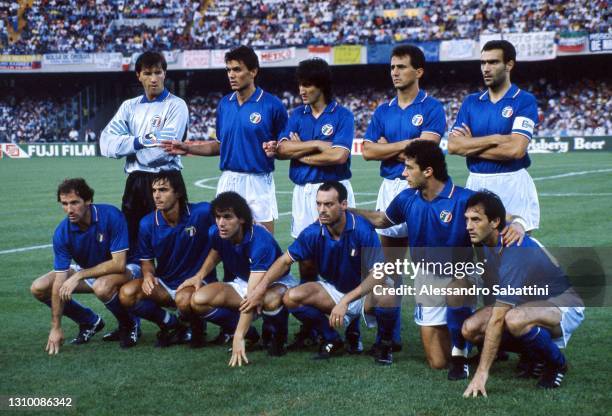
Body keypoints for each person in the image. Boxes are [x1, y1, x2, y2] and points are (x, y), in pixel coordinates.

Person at [351, 140, 525, 378]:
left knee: (457, 290)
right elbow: (383, 220)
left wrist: (519, 224)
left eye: (409, 167)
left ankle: (461, 356)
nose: (403, 173)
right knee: (436, 361)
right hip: (425, 279)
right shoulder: (407, 198)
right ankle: (477, 342)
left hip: (461, 274)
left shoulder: (463, 198)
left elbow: (504, 217)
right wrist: (348, 211)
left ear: (428, 171)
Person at [242, 181, 401, 365]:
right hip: (334, 290)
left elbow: (379, 273)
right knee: (291, 297)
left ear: (343, 204)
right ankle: (331, 338)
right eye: (319, 204)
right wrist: (261, 288)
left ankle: (383, 344)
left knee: (388, 292)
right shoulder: (312, 232)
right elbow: (284, 260)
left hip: (363, 291)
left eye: (329, 204)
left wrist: (346, 301)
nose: (322, 209)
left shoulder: (362, 229)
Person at [361, 44, 446, 353]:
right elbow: (368, 151)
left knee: (433, 264)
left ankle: (442, 328)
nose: (395, 72)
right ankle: (389, 337)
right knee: (389, 268)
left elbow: (426, 152)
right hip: (391, 187)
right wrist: (408, 143)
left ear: (418, 71)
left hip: (422, 192)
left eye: (401, 67)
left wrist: (390, 146)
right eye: (392, 67)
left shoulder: (432, 107)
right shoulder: (383, 110)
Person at [461, 191, 584, 396]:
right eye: (467, 219)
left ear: (494, 222)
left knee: (514, 319)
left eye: (476, 220)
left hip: (562, 304)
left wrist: (482, 373)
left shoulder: (515, 249)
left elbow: (498, 319)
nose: (468, 226)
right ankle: (533, 352)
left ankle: (556, 363)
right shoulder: (486, 240)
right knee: (470, 329)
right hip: (528, 301)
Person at [274, 58, 359, 350]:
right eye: (300, 84)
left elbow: (339, 157)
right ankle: (313, 327)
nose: (302, 90)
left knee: (348, 258)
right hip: (304, 192)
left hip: (335, 190)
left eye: (307, 84)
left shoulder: (343, 115)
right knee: (306, 261)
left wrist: (300, 150)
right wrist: (317, 145)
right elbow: (281, 149)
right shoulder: (296, 114)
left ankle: (353, 326)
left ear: (321, 85)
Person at [162, 45, 287, 234]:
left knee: (263, 240)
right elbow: (220, 146)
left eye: (237, 69)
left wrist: (277, 148)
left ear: (253, 71)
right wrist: (187, 148)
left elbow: (285, 145)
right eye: (228, 70)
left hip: (258, 180)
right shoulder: (224, 104)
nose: (231, 75)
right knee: (226, 241)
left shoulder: (272, 105)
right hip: (228, 179)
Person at [179, 191, 296, 364]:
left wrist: (237, 337)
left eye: (227, 217)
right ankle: (251, 334)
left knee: (269, 300)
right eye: (218, 217)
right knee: (198, 300)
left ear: (241, 218)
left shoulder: (260, 241)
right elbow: (216, 251)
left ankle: (278, 336)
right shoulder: (216, 232)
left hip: (275, 283)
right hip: (245, 281)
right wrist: (200, 275)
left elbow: (253, 294)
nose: (221, 223)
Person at [30, 178, 140, 354]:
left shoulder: (111, 215)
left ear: (88, 200)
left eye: (74, 203)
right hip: (92, 272)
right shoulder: (62, 232)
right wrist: (56, 327)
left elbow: (119, 264)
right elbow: (59, 281)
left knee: (102, 286)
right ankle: (88, 320)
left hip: (129, 268)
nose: (69, 209)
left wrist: (80, 275)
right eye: (64, 204)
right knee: (39, 287)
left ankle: (129, 324)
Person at [100, 51, 188, 262]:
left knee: (171, 240)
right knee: (132, 244)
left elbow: (160, 152)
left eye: (158, 72)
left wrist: (128, 145)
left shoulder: (176, 105)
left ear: (165, 74)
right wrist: (140, 141)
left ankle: (173, 287)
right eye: (148, 73)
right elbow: (105, 144)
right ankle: (137, 289)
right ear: (139, 75)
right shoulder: (129, 107)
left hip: (167, 177)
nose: (154, 78)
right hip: (135, 182)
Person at [448, 40, 540, 232]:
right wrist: (496, 138)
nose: (486, 69)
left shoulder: (524, 100)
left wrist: (470, 146)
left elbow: (516, 150)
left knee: (516, 250)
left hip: (512, 183)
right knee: (480, 253)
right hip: (476, 181)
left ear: (509, 65)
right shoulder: (471, 102)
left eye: (493, 62)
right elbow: (454, 146)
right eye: (483, 63)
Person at [119, 171, 217, 348]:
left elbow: (222, 239)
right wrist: (148, 275)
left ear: (178, 192)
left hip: (196, 284)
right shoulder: (147, 223)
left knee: (183, 300)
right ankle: (171, 324)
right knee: (127, 294)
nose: (157, 195)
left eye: (163, 190)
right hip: (166, 284)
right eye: (154, 190)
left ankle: (196, 328)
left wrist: (201, 274)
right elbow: (147, 260)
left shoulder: (202, 213)